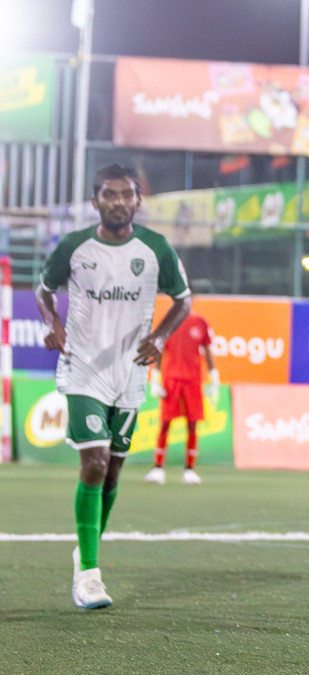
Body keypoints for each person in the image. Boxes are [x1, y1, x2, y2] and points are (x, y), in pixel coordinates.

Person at [36, 163, 192, 610]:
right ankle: (88, 574)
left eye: (126, 194)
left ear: (138, 200)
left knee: (114, 472)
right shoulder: (74, 247)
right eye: (109, 194)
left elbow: (183, 300)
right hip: (83, 367)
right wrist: (52, 324)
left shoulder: (156, 249)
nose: (118, 201)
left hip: (130, 371)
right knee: (96, 463)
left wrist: (159, 337)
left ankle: (87, 549)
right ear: (95, 201)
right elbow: (44, 289)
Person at [146, 309, 219, 484]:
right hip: (171, 380)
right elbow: (160, 349)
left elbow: (207, 350)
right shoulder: (168, 322)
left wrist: (214, 379)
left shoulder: (200, 322)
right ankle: (158, 468)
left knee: (192, 424)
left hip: (193, 381)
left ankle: (189, 469)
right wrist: (155, 378)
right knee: (165, 423)